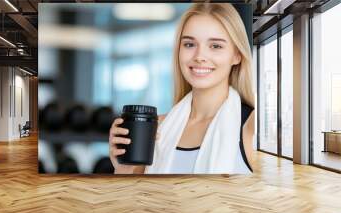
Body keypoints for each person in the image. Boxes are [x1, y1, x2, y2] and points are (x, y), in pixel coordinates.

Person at [109, 3, 255, 174]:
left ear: (237, 55)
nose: (200, 56)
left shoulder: (251, 128)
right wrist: (122, 169)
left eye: (215, 46)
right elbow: (133, 199)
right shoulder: (158, 128)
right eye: (189, 44)